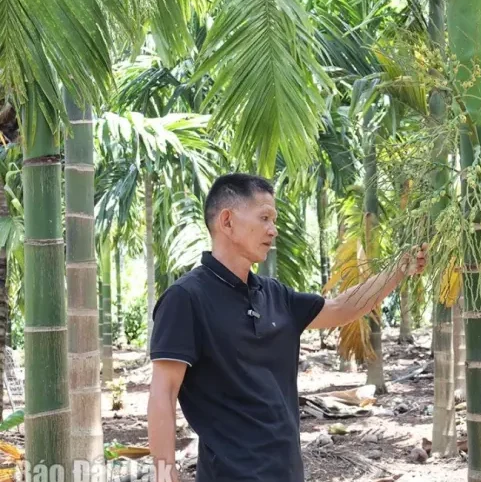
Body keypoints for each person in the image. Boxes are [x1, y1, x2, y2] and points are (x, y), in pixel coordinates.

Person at [147, 173, 428, 482]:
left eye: (274, 220)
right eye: (264, 217)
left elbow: (341, 308)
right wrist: (164, 475)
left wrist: (398, 270)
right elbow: (163, 392)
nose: (274, 229)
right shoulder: (186, 298)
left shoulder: (274, 294)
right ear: (227, 221)